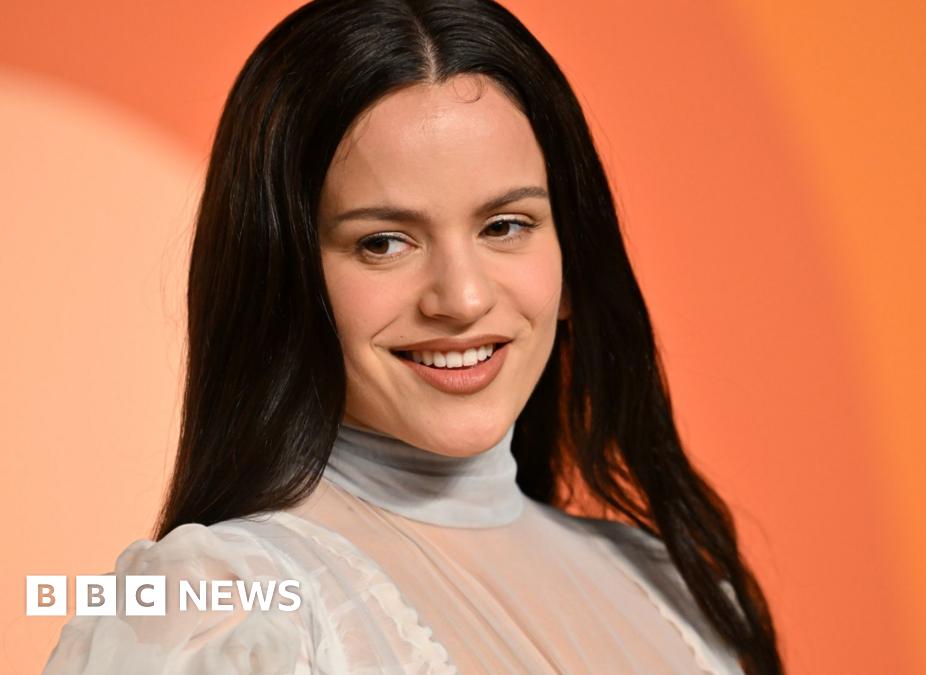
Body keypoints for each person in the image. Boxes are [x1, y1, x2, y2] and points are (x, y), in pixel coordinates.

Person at [42, 1, 782, 673]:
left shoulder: (678, 591)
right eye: (384, 243)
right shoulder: (211, 612)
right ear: (287, 279)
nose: (461, 299)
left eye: (505, 226)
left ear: (572, 259)